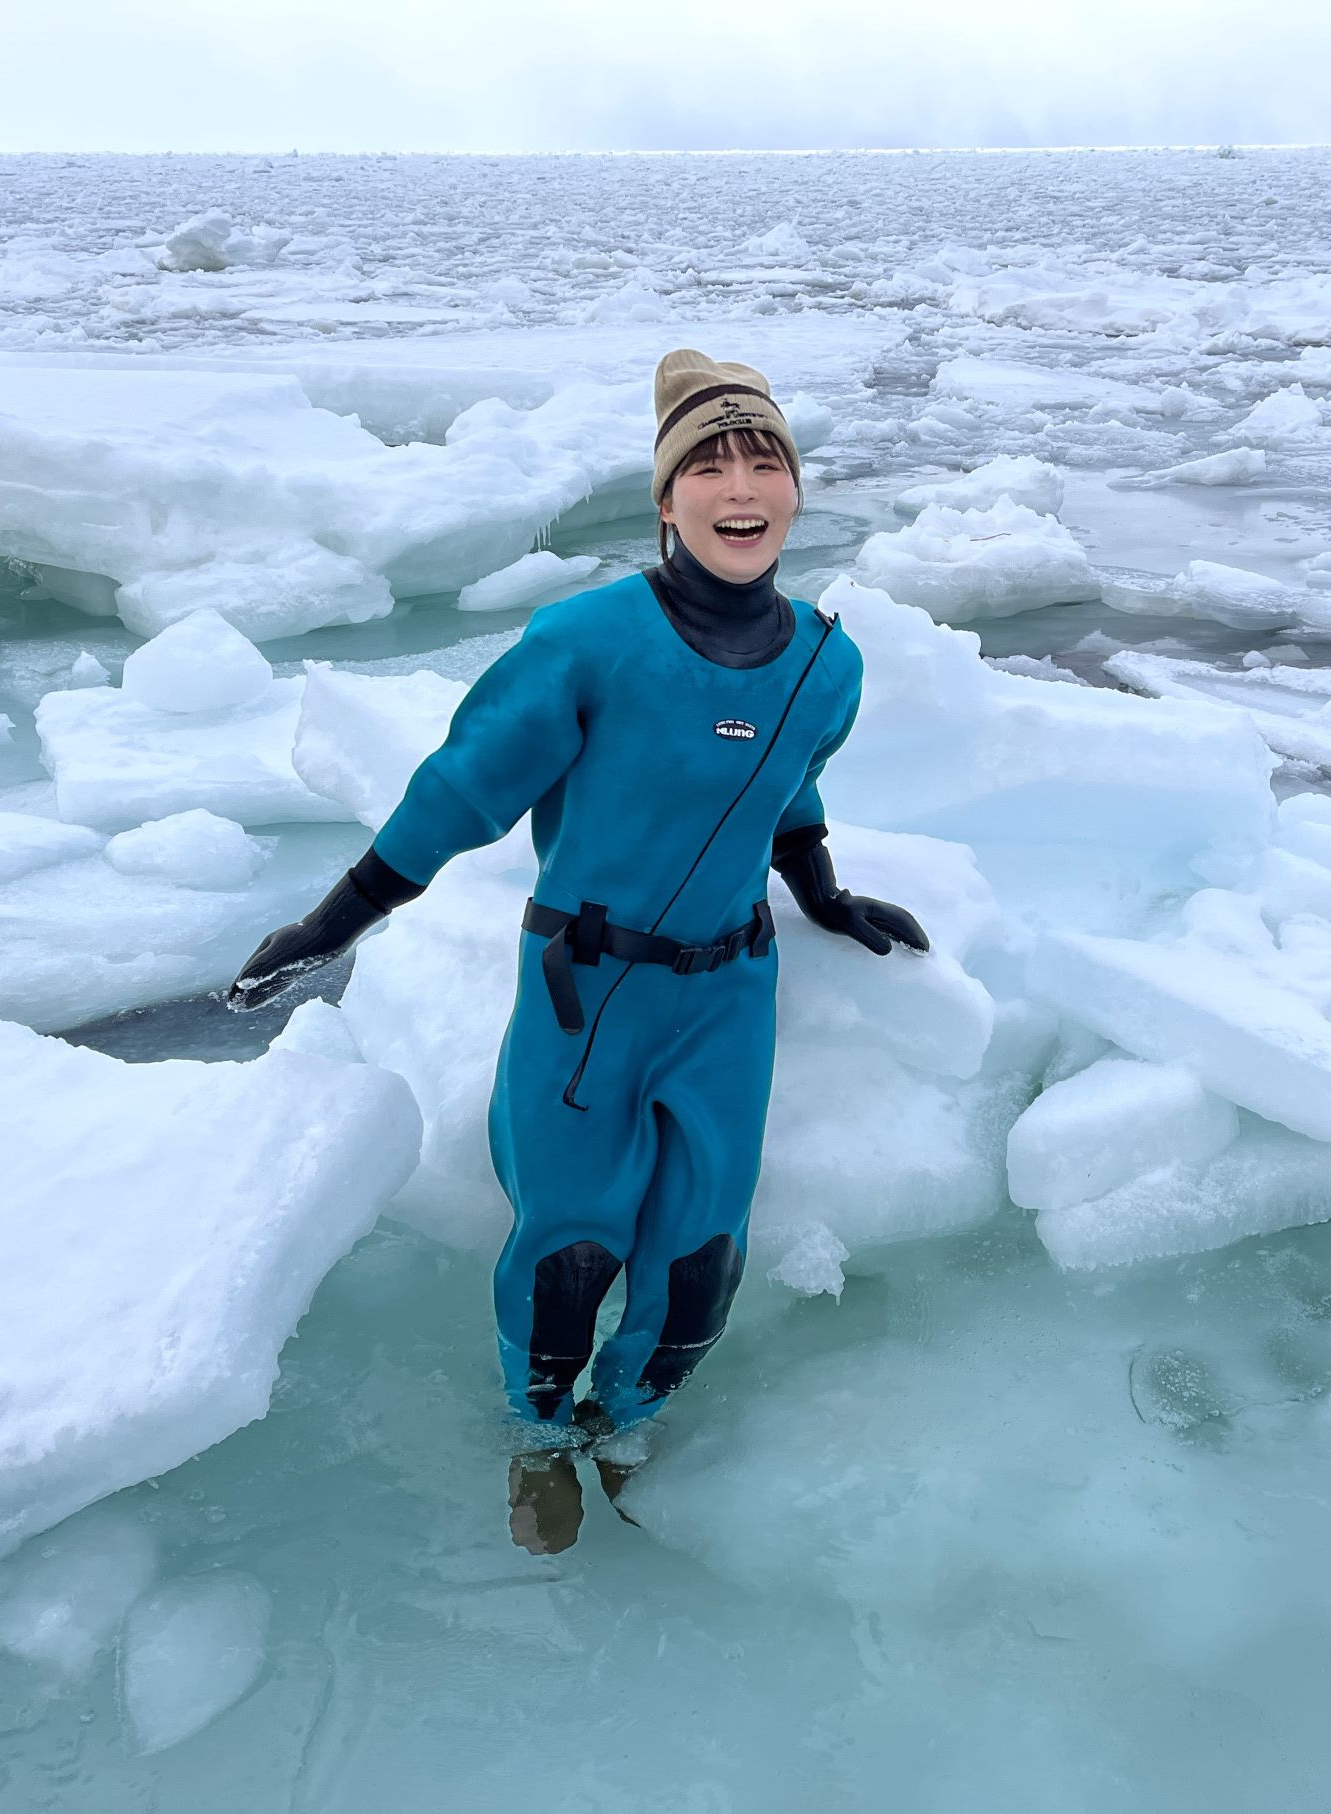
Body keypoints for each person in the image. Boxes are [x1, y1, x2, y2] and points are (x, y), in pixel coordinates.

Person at [226, 348, 929, 1554]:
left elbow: (786, 788)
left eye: (764, 459)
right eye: (708, 465)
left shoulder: (828, 660)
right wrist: (327, 925)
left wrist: (823, 894)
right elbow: (459, 792)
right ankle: (542, 1433)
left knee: (702, 1254)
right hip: (588, 990)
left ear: (796, 492)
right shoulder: (586, 642)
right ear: (665, 502)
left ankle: (631, 1421)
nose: (740, 484)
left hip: (730, 992)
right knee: (574, 1247)